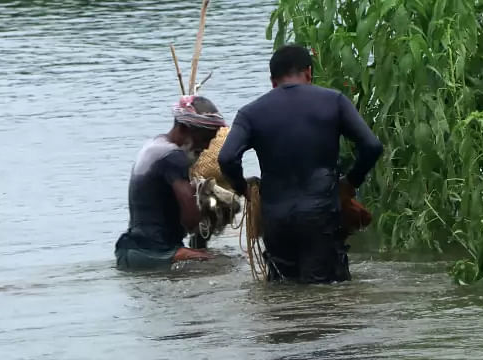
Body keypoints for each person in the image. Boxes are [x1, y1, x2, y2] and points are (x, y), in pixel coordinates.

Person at [218, 45, 383, 283]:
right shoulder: (334, 101)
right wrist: (349, 183)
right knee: (326, 293)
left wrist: (243, 189)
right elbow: (371, 146)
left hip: (276, 219)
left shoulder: (250, 113)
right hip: (321, 216)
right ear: (309, 73)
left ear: (273, 81)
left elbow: (227, 158)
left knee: (284, 290)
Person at [115, 95, 226, 270]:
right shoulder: (174, 157)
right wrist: (210, 213)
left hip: (130, 249)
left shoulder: (154, 145)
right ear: (184, 128)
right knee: (224, 265)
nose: (205, 147)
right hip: (156, 253)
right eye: (204, 139)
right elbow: (190, 218)